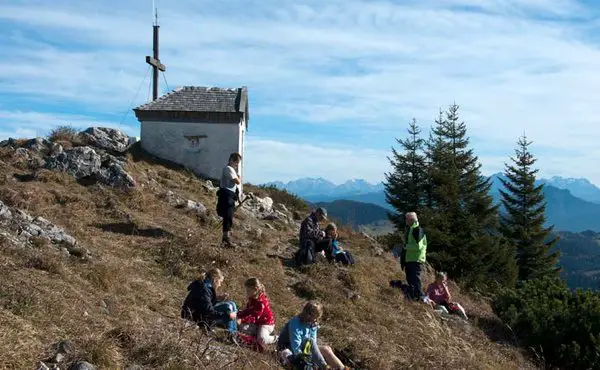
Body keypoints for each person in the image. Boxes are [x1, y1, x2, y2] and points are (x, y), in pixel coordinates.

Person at [276, 301, 346, 370]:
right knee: (310, 341)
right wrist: (305, 359)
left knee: (327, 349)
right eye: (315, 317)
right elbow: (296, 346)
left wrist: (311, 355)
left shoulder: (312, 324)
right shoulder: (295, 323)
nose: (316, 320)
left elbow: (313, 344)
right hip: (289, 349)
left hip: (304, 348)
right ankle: (324, 367)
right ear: (308, 315)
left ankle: (342, 368)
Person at [180, 268, 238, 339]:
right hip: (195, 317)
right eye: (220, 282)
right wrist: (227, 315)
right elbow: (208, 311)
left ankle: (233, 333)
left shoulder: (205, 285)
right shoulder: (204, 289)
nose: (219, 285)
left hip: (196, 313)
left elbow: (204, 304)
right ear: (215, 279)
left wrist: (217, 299)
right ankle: (232, 335)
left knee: (231, 304)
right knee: (228, 306)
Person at [236, 277, 277, 351]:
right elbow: (248, 311)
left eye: (248, 291)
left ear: (255, 289)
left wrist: (241, 320)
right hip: (256, 323)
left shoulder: (261, 302)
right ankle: (255, 333)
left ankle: (275, 338)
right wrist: (238, 314)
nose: (246, 292)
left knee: (262, 339)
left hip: (266, 323)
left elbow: (254, 317)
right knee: (242, 328)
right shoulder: (252, 299)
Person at [216, 153, 242, 248]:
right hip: (226, 195)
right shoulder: (228, 169)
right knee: (227, 216)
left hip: (230, 195)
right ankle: (226, 240)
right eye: (236, 162)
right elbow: (237, 181)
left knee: (229, 217)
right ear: (232, 160)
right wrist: (239, 177)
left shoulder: (232, 170)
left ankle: (226, 239)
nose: (237, 165)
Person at [403, 212, 427, 301]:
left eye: (406, 219)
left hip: (416, 259)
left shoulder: (417, 230)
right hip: (410, 259)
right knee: (410, 279)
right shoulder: (411, 229)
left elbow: (418, 246)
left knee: (416, 279)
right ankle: (413, 296)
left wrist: (406, 246)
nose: (405, 221)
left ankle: (420, 297)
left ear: (411, 220)